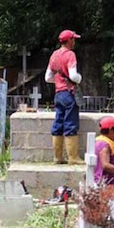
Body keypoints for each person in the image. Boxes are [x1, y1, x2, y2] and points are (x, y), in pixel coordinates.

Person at [44, 29, 84, 165]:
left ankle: (58, 157)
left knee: (58, 123)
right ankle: (73, 157)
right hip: (69, 93)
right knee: (71, 124)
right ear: (69, 41)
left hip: (58, 94)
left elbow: (48, 77)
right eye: (73, 39)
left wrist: (59, 82)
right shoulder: (70, 55)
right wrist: (79, 79)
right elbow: (73, 76)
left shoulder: (54, 55)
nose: (74, 42)